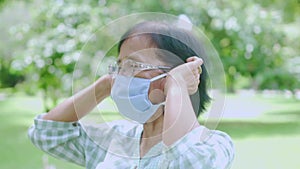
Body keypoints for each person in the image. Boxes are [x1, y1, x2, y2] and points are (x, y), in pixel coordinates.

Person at [28, 21, 234, 169]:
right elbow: (47, 132)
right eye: (119, 66)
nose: (122, 77)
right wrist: (106, 85)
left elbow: (188, 162)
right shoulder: (117, 137)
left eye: (133, 65)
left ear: (177, 72)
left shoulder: (212, 144)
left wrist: (177, 85)